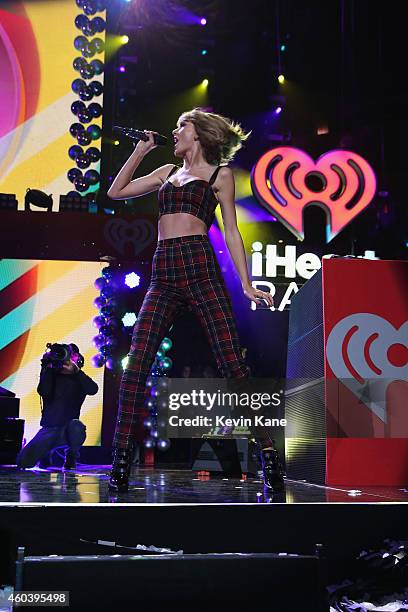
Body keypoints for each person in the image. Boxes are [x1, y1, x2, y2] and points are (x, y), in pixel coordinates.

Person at [107, 107, 277, 492]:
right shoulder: (166, 173)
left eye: (180, 125)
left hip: (200, 267)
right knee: (136, 366)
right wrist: (140, 151)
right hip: (164, 270)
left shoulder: (220, 176)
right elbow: (116, 192)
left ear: (198, 133)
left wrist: (247, 284)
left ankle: (268, 454)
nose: (174, 131)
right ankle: (120, 459)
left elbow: (232, 232)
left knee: (233, 364)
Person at [16, 347, 99, 471]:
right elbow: (43, 391)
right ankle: (46, 452)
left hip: (68, 431)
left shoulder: (79, 378)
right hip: (49, 429)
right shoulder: (51, 375)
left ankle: (71, 456)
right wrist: (47, 368)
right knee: (23, 462)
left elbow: (93, 389)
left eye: (70, 355)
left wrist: (77, 372)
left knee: (77, 426)